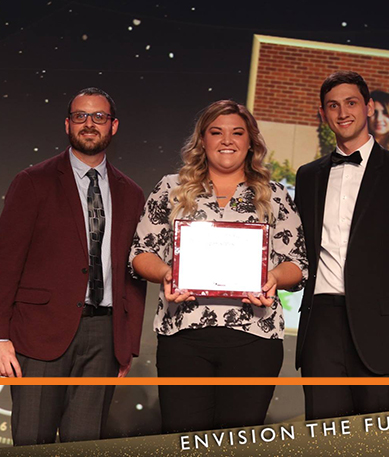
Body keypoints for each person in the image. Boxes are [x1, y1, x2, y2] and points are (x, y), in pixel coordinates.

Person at [130, 100, 307, 434]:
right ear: (203, 140)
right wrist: (167, 273)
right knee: (184, 440)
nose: (227, 140)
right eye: (217, 132)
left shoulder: (275, 195)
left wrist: (272, 278)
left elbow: (297, 263)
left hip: (254, 338)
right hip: (183, 336)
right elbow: (141, 253)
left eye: (237, 133)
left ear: (251, 141)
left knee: (238, 443)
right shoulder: (171, 188)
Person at [0, 88, 146, 445]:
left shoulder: (131, 193)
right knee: (32, 438)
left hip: (104, 337)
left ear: (114, 126)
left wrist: (127, 342)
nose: (89, 124)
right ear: (67, 124)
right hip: (40, 332)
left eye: (99, 117)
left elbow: (132, 273)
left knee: (85, 443)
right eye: (80, 116)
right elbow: (6, 262)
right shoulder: (33, 182)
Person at [294, 71, 389, 420]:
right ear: (322, 114)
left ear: (369, 107)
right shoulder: (308, 176)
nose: (343, 112)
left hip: (384, 334)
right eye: (333, 105)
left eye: (351, 103)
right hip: (322, 328)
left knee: (376, 440)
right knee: (322, 438)